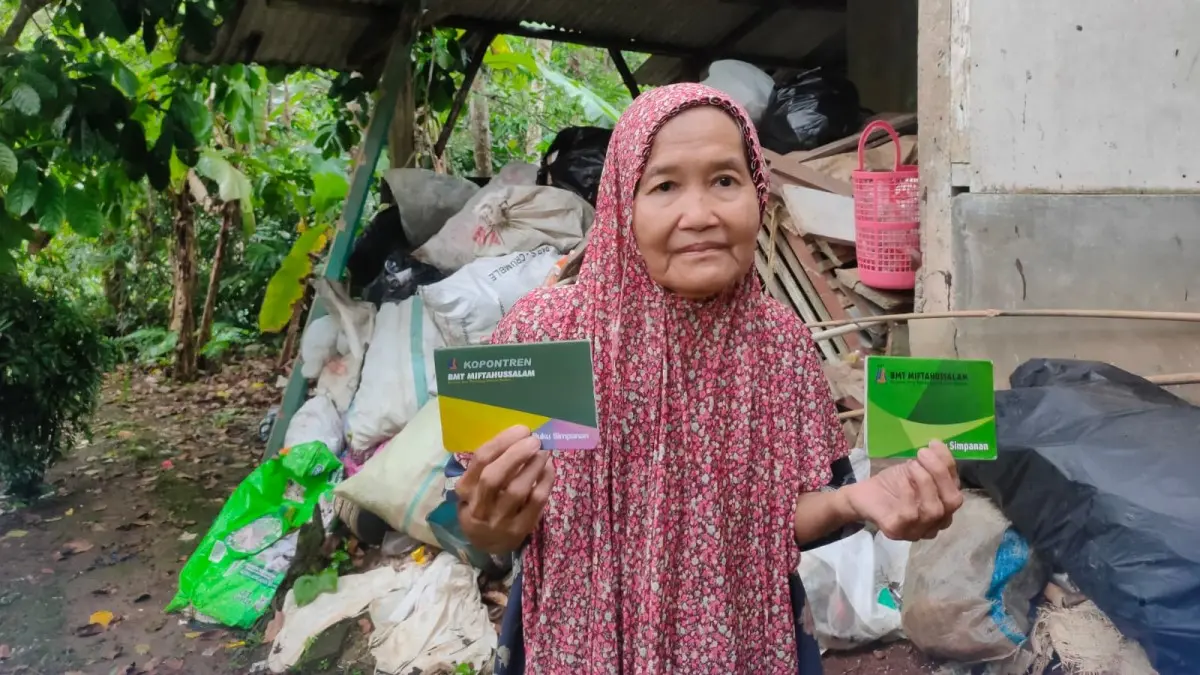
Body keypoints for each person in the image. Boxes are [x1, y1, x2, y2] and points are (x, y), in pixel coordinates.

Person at [450, 83, 964, 675]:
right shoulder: (545, 333)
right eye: (665, 185)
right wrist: (488, 522)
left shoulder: (779, 348)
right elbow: (473, 513)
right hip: (579, 647)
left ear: (757, 193)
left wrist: (854, 500)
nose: (701, 215)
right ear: (623, 202)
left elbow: (774, 524)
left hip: (740, 646)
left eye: (725, 180)